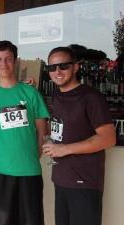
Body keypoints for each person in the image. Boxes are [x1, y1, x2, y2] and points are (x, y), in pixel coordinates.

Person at [42, 47, 116, 225]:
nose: (57, 72)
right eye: (52, 68)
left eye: (63, 66)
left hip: (85, 182)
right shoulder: (57, 95)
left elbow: (108, 139)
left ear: (76, 67)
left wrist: (64, 149)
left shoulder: (91, 98)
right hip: (61, 179)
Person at [0, 40, 49, 225]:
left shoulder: (31, 94)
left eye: (8, 59)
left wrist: (32, 156)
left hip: (29, 169)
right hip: (0, 170)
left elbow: (42, 132)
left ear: (15, 61)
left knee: (32, 220)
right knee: (2, 220)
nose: (4, 64)